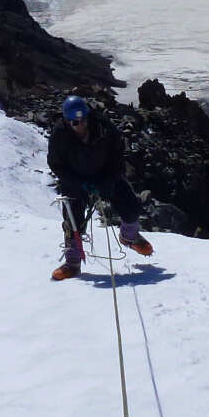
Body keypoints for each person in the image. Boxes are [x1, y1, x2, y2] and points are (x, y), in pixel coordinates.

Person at [47, 95, 153, 280]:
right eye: (74, 122)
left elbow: (117, 154)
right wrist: (80, 183)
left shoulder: (104, 127)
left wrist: (109, 178)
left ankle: (129, 237)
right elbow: (57, 165)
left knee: (131, 209)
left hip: (105, 175)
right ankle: (72, 263)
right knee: (73, 222)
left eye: (82, 121)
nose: (79, 126)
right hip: (75, 180)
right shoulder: (59, 135)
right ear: (66, 121)